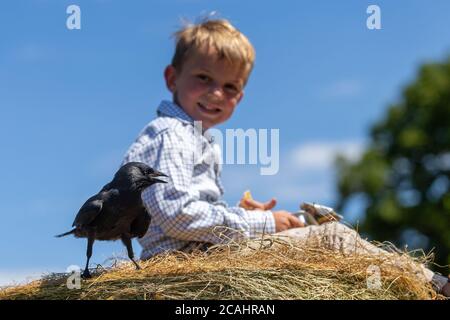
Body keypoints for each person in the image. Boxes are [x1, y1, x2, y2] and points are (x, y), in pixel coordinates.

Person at [122, 18, 449, 296]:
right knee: (332, 239)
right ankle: (434, 286)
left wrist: (239, 215)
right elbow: (178, 216)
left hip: (197, 254)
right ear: (171, 78)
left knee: (306, 222)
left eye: (230, 86)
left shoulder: (194, 137)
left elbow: (183, 210)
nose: (216, 93)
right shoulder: (172, 134)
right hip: (186, 263)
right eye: (203, 78)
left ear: (241, 96)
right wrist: (262, 223)